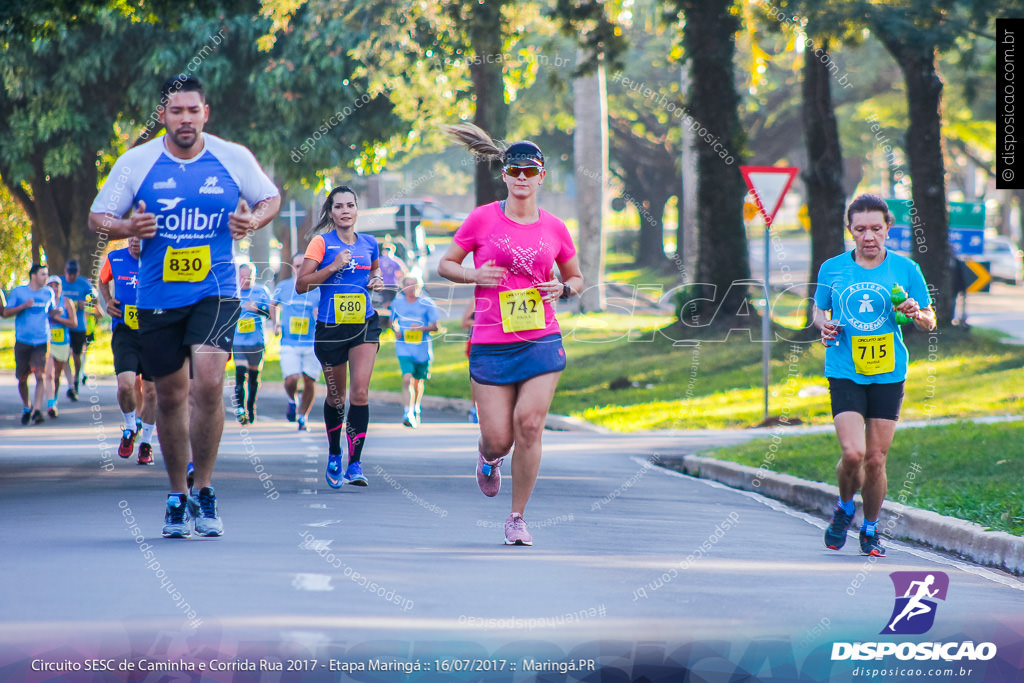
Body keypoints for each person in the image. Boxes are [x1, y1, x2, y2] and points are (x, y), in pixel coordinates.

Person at [89, 74, 280, 538]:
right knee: (171, 396)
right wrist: (128, 226)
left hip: (215, 291)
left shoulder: (232, 157)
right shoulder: (137, 162)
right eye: (176, 111)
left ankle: (206, 488)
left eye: (193, 110)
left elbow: (270, 197)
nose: (186, 119)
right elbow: (99, 215)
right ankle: (177, 494)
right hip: (157, 297)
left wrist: (251, 219)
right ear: (163, 116)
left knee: (209, 386)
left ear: (205, 113)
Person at [437, 124, 583, 546]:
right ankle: (488, 457)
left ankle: (517, 517)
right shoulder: (482, 218)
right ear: (504, 174)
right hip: (490, 341)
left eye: (529, 171)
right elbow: (446, 264)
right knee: (500, 438)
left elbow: (575, 276)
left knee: (530, 425)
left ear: (541, 176)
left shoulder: (555, 227)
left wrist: (564, 288)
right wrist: (473, 274)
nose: (522, 178)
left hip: (540, 337)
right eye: (514, 171)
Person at [814, 193, 936, 558]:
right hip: (845, 369)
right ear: (850, 231)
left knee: (875, 460)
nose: (869, 236)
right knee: (852, 453)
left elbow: (930, 320)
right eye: (861, 229)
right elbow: (819, 312)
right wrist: (827, 325)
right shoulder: (831, 269)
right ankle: (843, 506)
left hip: (888, 372)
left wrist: (917, 313)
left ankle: (869, 528)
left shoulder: (906, 269)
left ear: (887, 230)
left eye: (876, 229)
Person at [296, 185, 386, 489]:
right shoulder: (321, 243)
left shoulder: (371, 243)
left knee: (360, 393)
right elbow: (301, 284)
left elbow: (374, 273)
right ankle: (335, 452)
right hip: (331, 327)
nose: (345, 211)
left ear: (357, 209)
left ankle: (355, 462)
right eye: (338, 206)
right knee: (337, 396)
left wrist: (376, 280)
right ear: (331, 212)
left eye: (350, 205)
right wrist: (332, 267)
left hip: (364, 323)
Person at [98, 236, 158, 465]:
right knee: (125, 386)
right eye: (132, 237)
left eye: (141, 239)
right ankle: (131, 427)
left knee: (151, 392)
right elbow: (103, 281)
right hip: (125, 331)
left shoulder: (160, 256)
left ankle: (147, 443)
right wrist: (108, 300)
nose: (135, 242)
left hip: (154, 332)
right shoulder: (115, 258)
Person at [272, 252, 321, 430]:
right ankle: (292, 400)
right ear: (293, 267)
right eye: (298, 265)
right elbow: (273, 304)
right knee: (292, 379)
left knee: (309, 380)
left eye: (305, 265)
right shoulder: (283, 287)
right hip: (289, 342)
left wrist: (319, 318)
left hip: (311, 343)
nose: (301, 269)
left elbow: (320, 310)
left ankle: (302, 416)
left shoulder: (317, 288)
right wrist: (275, 322)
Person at [3, 264, 55, 425]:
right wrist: (23, 306)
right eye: (42, 274)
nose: (45, 277)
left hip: (41, 340)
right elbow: (6, 313)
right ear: (33, 275)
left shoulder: (48, 293)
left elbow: (51, 312)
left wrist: (56, 313)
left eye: (46, 274)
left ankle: (38, 410)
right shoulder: (19, 292)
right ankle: (27, 406)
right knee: (22, 378)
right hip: (23, 341)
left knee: (40, 375)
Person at [390, 271, 440, 428]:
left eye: (414, 285)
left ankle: (416, 408)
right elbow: (393, 322)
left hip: (422, 349)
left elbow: (436, 326)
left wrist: (421, 328)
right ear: (403, 287)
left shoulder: (427, 303)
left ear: (419, 286)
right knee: (407, 378)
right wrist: (396, 330)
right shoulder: (397, 303)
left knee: (418, 381)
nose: (410, 288)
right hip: (404, 347)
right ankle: (408, 411)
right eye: (407, 285)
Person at [232, 262, 272, 425]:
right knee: (240, 373)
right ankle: (241, 409)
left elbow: (269, 313)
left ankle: (251, 405)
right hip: (238, 340)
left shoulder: (261, 291)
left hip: (256, 340)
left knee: (254, 377)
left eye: (249, 277)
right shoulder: (233, 292)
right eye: (243, 277)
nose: (246, 280)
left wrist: (257, 309)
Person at [60, 259, 98, 400]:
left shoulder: (83, 283)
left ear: (78, 272)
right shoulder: (60, 282)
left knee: (76, 356)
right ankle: (70, 385)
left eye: (74, 273)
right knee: (64, 355)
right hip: (63, 324)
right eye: (69, 273)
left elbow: (95, 300)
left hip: (79, 326)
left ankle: (77, 377)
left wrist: (86, 303)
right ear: (65, 272)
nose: (71, 276)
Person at [43, 276, 77, 419]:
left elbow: (74, 323)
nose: (54, 288)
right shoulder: (44, 301)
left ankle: (54, 398)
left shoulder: (67, 302)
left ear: (61, 287)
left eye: (57, 285)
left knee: (57, 375)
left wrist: (58, 318)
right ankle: (51, 404)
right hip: (48, 342)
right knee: (49, 374)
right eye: (51, 285)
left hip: (62, 342)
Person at [460, 300, 478, 423]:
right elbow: (464, 322)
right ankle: (475, 408)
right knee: (477, 377)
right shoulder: (476, 299)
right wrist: (485, 322)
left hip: (502, 341)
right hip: (477, 341)